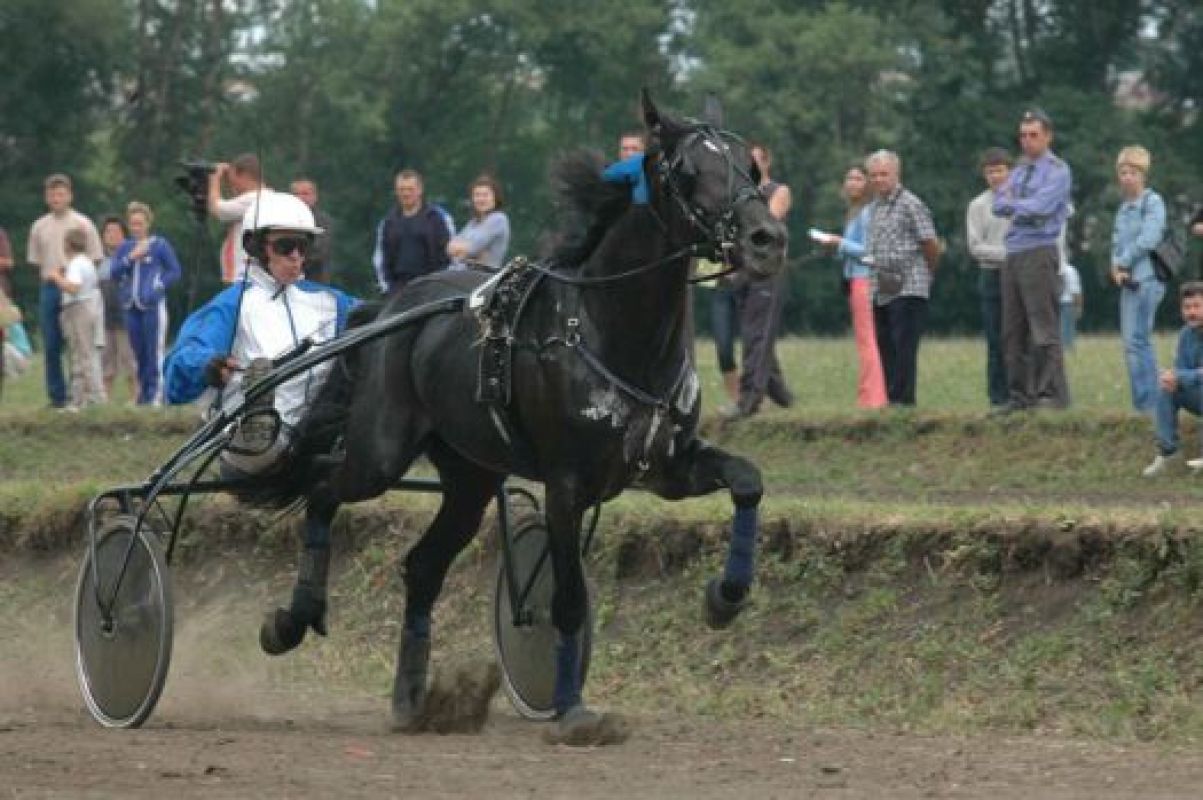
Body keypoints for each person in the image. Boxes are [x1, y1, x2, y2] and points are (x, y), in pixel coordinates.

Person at [165, 192, 357, 652]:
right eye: (286, 246)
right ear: (256, 248)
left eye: (303, 247)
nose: (297, 258)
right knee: (262, 395)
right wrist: (209, 366)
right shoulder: (233, 306)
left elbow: (387, 316)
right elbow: (177, 369)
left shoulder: (331, 304)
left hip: (313, 447)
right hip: (248, 455)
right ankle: (258, 412)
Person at [992, 109, 1072, 411]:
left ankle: (1050, 394)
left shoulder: (1057, 171)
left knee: (1043, 327)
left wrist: (1016, 205)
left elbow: (1042, 207)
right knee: (1012, 330)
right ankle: (1019, 396)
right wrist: (1021, 206)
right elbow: (998, 203)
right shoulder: (1018, 170)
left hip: (1039, 251)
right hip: (1013, 252)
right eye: (1023, 135)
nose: (1027, 141)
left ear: (1047, 136)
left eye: (1033, 135)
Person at [864, 149, 940, 407]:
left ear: (896, 174)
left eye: (884, 174)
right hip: (882, 285)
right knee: (885, 345)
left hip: (908, 284)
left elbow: (930, 243)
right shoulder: (875, 208)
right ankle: (892, 397)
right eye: (874, 175)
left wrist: (928, 273)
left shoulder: (910, 204)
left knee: (903, 345)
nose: (878, 180)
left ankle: (904, 401)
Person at [723, 142, 794, 418]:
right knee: (754, 334)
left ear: (766, 163)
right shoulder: (739, 195)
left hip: (767, 271)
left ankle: (748, 400)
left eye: (754, 161)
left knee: (757, 335)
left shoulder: (778, 191)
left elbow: (764, 225)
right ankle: (783, 397)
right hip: (742, 271)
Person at [26, 174, 103, 409]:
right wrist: (53, 277)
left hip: (77, 288)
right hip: (51, 285)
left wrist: (76, 277)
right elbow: (36, 261)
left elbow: (95, 257)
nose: (56, 199)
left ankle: (81, 393)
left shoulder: (83, 223)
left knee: (79, 342)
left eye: (60, 194)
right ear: (46, 197)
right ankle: (57, 395)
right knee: (51, 343)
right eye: (51, 194)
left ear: (69, 196)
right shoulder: (39, 226)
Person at [817, 164, 887, 408]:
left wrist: (840, 243)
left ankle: (873, 398)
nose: (852, 183)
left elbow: (869, 252)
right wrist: (834, 247)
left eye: (858, 178)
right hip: (855, 278)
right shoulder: (855, 212)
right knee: (865, 339)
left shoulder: (867, 213)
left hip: (864, 279)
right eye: (849, 178)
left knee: (867, 340)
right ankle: (869, 394)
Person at [1110, 146, 1168, 414]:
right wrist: (1116, 266)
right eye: (1123, 173)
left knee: (1139, 341)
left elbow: (1149, 238)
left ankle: (1151, 404)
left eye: (1132, 173)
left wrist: (1123, 261)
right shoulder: (1123, 209)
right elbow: (1116, 241)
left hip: (1148, 279)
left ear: (1143, 175)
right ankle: (1142, 404)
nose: (1127, 178)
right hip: (1128, 282)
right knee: (1131, 343)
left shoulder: (1153, 202)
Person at [111, 202, 182, 406]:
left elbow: (174, 271)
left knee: (154, 351)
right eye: (132, 224)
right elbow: (114, 272)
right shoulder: (125, 247)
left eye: (140, 224)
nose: (136, 228)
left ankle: (157, 394)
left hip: (152, 306)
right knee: (138, 351)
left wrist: (158, 286)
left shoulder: (159, 245)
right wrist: (131, 258)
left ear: (148, 224)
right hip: (130, 307)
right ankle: (144, 393)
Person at [966, 148, 1013, 408]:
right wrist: (1007, 254)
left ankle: (1022, 394)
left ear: (1010, 172)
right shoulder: (978, 205)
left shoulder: (1023, 201)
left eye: (1000, 170)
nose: (995, 176)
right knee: (996, 339)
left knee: (1020, 337)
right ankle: (998, 397)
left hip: (1019, 275)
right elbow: (976, 247)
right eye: (990, 172)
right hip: (992, 275)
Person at [1142, 282, 1203, 476]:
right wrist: (1171, 377)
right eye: (1187, 307)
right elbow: (1181, 369)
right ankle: (1168, 454)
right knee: (1166, 388)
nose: (1191, 312)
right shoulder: (1186, 334)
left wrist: (1179, 376)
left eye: (1197, 306)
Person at [372, 169, 453, 295]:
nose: (406, 193)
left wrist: (441, 286)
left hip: (433, 289)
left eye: (410, 189)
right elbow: (381, 260)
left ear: (420, 190)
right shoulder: (388, 223)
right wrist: (388, 288)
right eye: (401, 189)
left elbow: (450, 254)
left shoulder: (437, 219)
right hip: (398, 291)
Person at [50, 228, 104, 410]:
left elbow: (73, 288)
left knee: (80, 354)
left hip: (78, 308)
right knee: (85, 353)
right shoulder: (86, 262)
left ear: (68, 244)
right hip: (89, 306)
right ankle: (88, 395)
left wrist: (57, 277)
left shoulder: (75, 264)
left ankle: (83, 398)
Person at [209, 153, 271, 284]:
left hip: (242, 275)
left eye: (233, 180)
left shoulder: (253, 199)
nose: (232, 184)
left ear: (243, 175)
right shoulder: (267, 197)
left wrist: (214, 179)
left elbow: (217, 209)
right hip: (250, 274)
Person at [97, 216, 138, 402]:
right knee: (106, 360)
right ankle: (105, 398)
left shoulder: (131, 258)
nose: (111, 235)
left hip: (126, 316)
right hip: (104, 316)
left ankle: (136, 397)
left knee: (129, 358)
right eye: (108, 231)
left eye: (116, 231)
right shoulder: (98, 260)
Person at [447, 175, 511, 270]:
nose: (481, 199)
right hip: (458, 272)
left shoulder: (498, 219)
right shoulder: (473, 222)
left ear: (495, 198)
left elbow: (473, 248)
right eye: (477, 195)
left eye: (485, 195)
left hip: (482, 275)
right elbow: (450, 248)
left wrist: (464, 251)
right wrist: (464, 251)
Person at [290, 178, 333, 283]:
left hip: (315, 280)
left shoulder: (323, 221)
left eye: (305, 194)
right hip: (286, 280)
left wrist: (293, 259)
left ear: (315, 197)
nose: (300, 198)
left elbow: (320, 250)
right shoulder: (283, 220)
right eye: (296, 194)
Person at [1060, 263, 1083, 352]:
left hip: (1054, 303)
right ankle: (1068, 349)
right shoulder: (1070, 270)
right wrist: (1079, 307)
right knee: (1068, 329)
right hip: (1068, 303)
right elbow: (1075, 291)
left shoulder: (1052, 269)